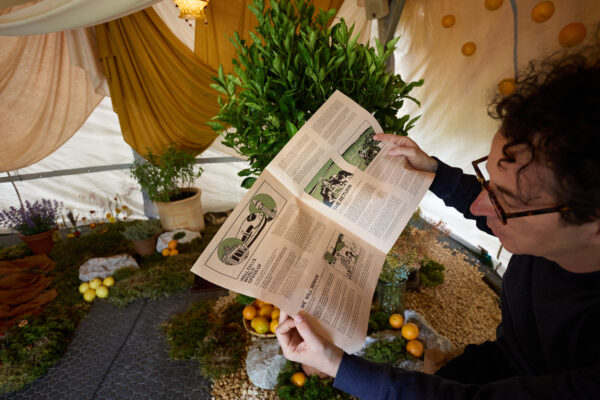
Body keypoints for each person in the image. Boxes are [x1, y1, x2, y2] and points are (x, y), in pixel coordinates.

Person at [276, 46, 600, 399]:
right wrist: (434, 172)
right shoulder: (552, 231)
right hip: (503, 361)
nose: (479, 206)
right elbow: (485, 209)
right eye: (487, 180)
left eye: (505, 201)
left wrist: (337, 365)